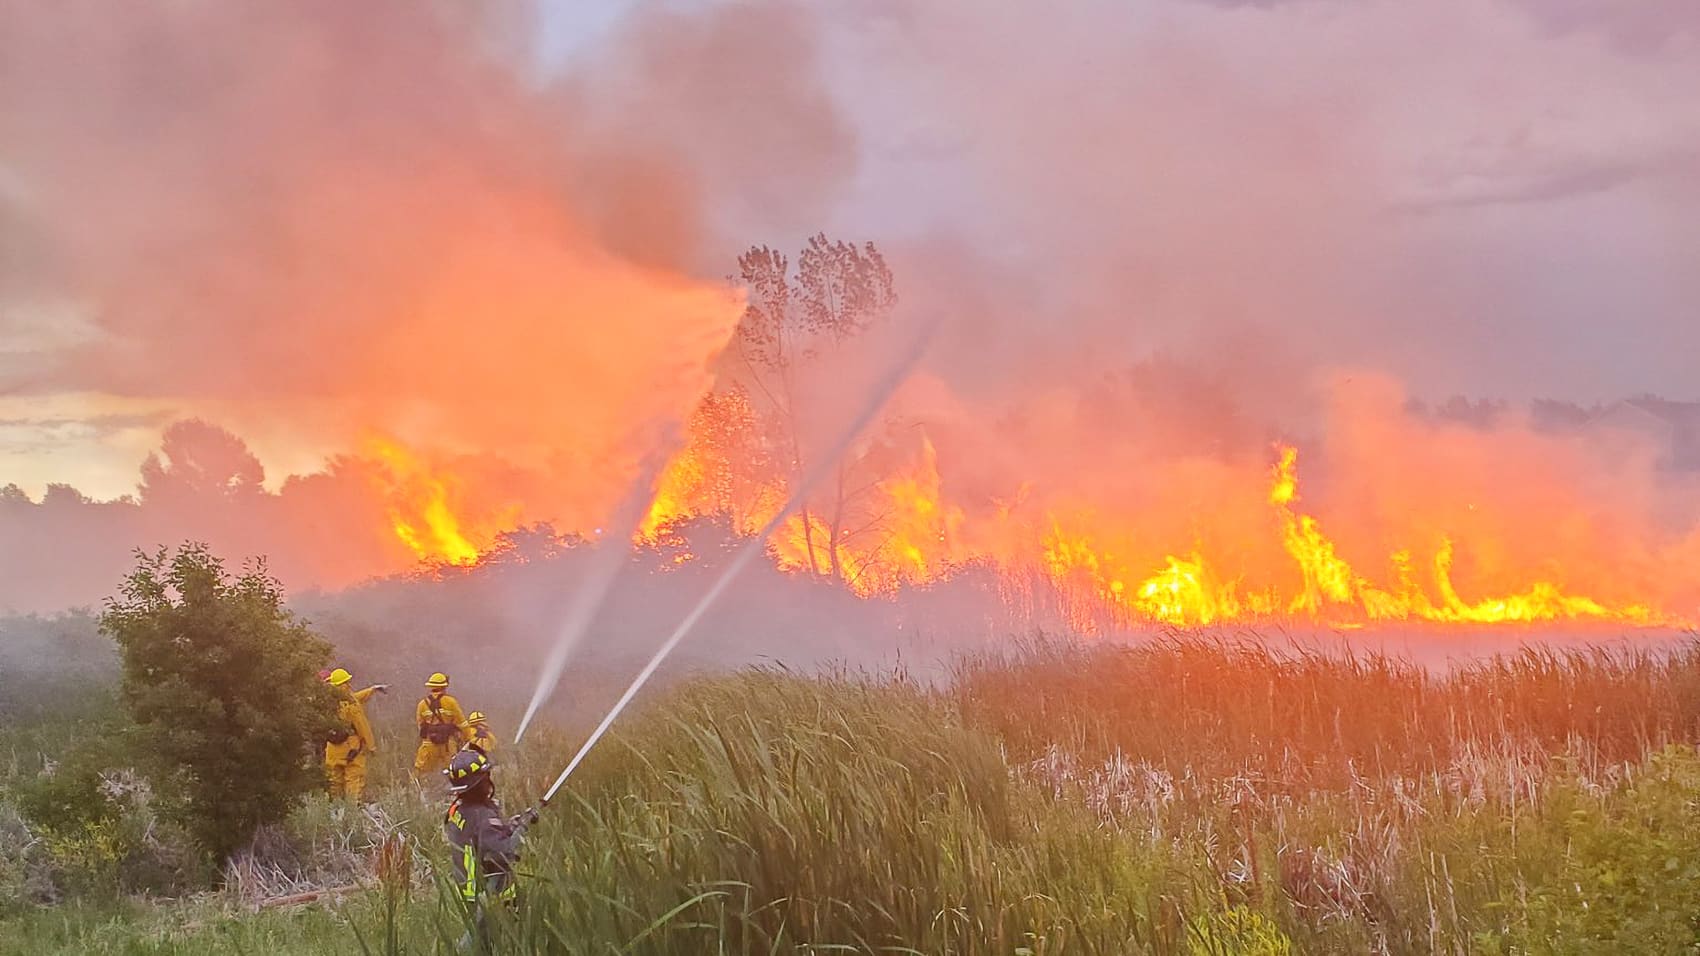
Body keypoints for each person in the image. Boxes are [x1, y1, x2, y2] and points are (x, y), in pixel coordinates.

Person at [443, 748, 536, 952]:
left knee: (481, 940)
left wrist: (512, 824)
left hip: (469, 890)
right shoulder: (483, 817)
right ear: (480, 784)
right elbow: (504, 851)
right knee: (486, 944)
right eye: (486, 777)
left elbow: (481, 840)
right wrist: (523, 827)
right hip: (493, 894)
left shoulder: (458, 810)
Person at [322, 667, 386, 801]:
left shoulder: (327, 701)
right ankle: (352, 809)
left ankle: (336, 808)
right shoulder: (351, 705)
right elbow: (362, 725)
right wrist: (371, 746)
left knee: (335, 780)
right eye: (347, 682)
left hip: (332, 749)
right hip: (350, 748)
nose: (349, 684)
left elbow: (356, 697)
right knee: (354, 779)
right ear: (344, 684)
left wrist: (372, 690)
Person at [415, 672, 466, 780]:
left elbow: (420, 725)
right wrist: (466, 739)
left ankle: (420, 792)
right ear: (444, 687)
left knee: (422, 772)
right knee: (453, 771)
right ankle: (452, 792)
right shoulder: (451, 702)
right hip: (448, 743)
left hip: (429, 743)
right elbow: (462, 723)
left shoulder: (422, 704)